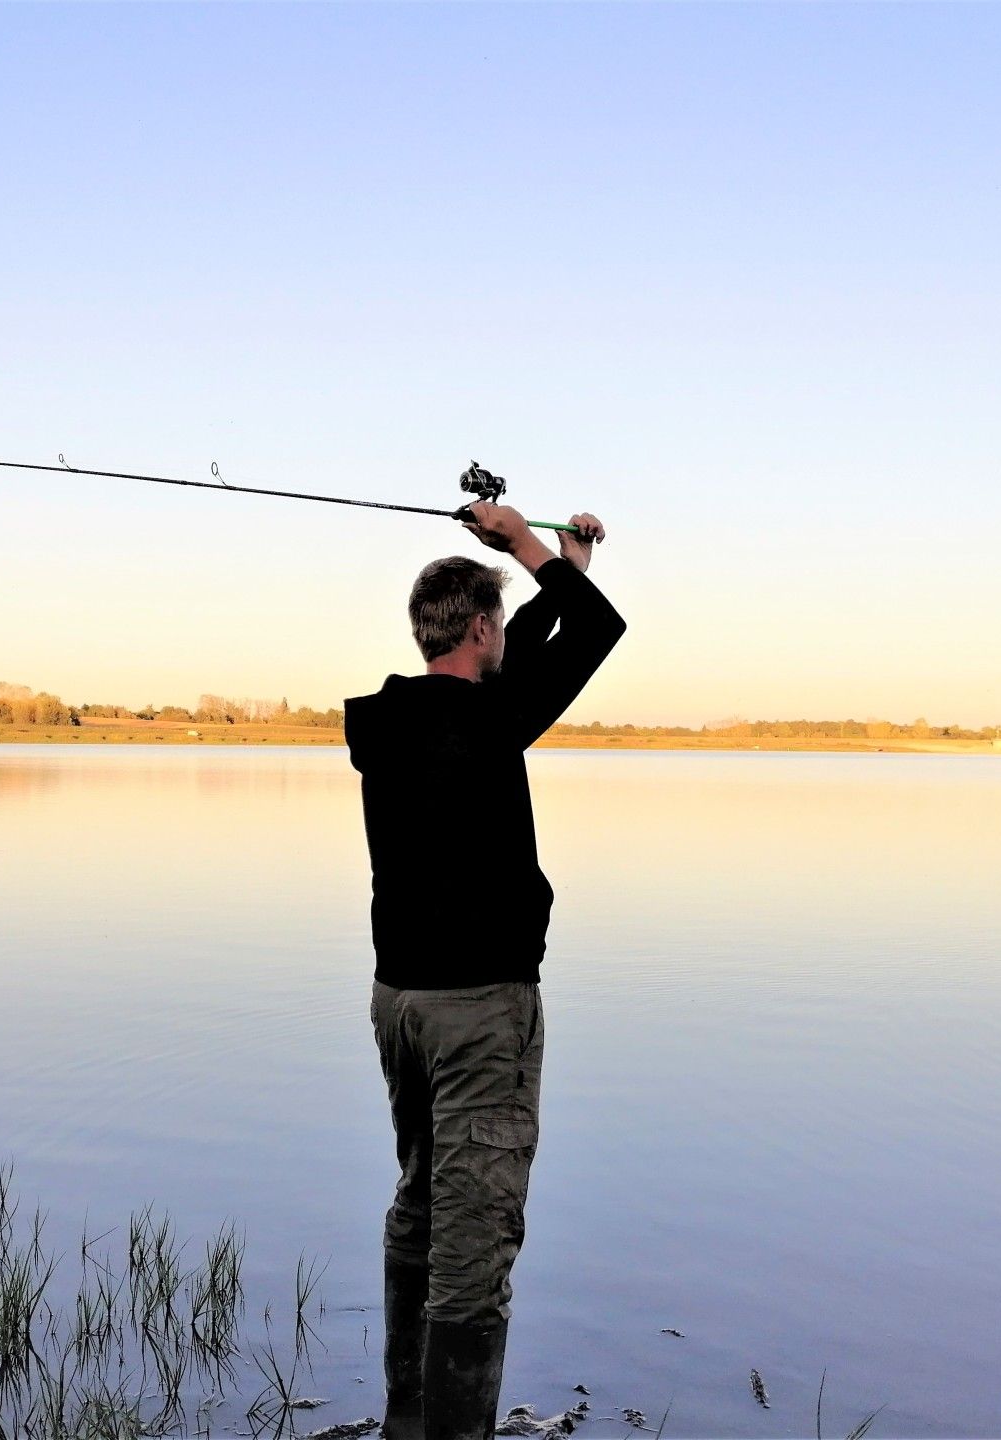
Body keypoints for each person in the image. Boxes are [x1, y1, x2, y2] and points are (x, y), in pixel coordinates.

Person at [344, 501, 627, 1440]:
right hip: (479, 1012)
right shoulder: (494, 717)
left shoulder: (384, 723)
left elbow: (533, 645)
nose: (504, 636)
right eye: (495, 621)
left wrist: (564, 560)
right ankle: (450, 1435)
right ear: (477, 628)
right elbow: (591, 631)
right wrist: (525, 545)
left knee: (423, 1198)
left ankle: (405, 1418)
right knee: (478, 1233)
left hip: (401, 1003)